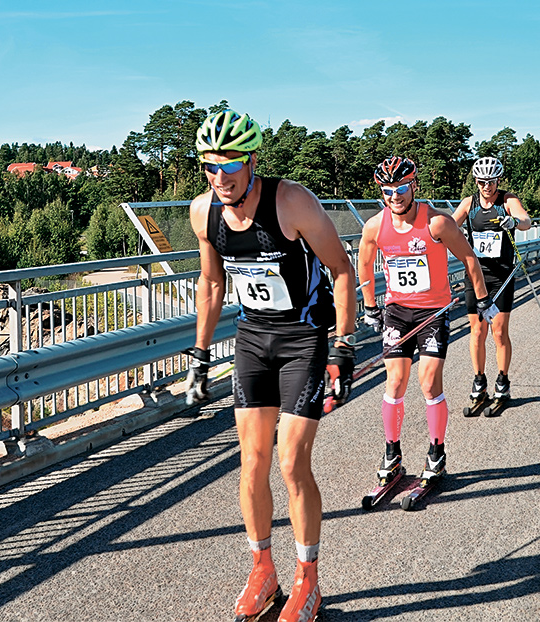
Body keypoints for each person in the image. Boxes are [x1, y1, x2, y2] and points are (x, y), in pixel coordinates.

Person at [186, 109, 356, 622]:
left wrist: (343, 347)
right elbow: (213, 284)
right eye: (211, 167)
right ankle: (264, 569)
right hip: (253, 340)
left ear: (253, 160)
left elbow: (342, 269)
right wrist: (198, 356)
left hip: (304, 340)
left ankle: (309, 578)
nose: (222, 177)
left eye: (232, 164)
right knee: (252, 462)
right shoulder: (204, 213)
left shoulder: (290, 201)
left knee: (290, 462)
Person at [358, 157, 494, 493]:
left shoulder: (437, 223)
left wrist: (482, 300)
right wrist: (371, 307)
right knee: (395, 382)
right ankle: (392, 453)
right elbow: (362, 262)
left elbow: (468, 257)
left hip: (433, 312)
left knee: (429, 382)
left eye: (402, 188)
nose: (395, 196)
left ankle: (436, 453)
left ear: (414, 186)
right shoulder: (375, 226)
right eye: (388, 191)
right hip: (397, 311)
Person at [451, 157, 532, 407]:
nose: (487, 186)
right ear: (476, 181)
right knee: (477, 331)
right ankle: (479, 380)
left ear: (498, 181)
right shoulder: (469, 203)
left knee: (498, 332)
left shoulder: (507, 200)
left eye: (492, 181)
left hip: (501, 276)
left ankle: (503, 381)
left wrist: (515, 222)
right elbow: (448, 226)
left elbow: (526, 221)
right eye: (482, 181)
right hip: (476, 276)